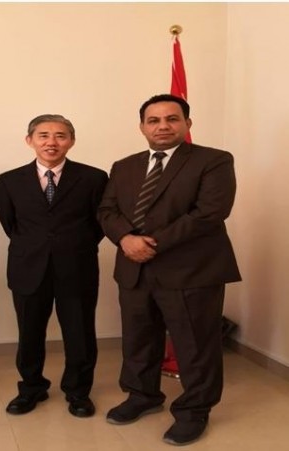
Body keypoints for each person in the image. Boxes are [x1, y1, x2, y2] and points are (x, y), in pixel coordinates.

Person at [98, 94, 241, 445]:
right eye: (154, 120)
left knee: (195, 345)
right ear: (142, 127)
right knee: (138, 338)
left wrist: (149, 243)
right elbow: (107, 211)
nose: (162, 126)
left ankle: (194, 411)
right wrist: (126, 239)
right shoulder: (123, 166)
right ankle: (142, 396)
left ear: (187, 123)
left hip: (191, 270)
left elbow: (209, 212)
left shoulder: (214, 160)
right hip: (134, 269)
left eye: (172, 119)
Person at [0, 114, 108, 418]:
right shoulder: (8, 181)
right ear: (29, 140)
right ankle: (31, 388)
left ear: (71, 141)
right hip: (28, 267)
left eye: (60, 135)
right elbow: (11, 224)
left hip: (77, 266)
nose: (51, 142)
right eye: (43, 135)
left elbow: (99, 223)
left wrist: (72, 245)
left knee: (80, 333)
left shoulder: (94, 178)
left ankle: (78, 392)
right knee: (29, 333)